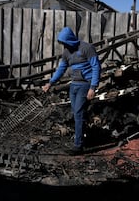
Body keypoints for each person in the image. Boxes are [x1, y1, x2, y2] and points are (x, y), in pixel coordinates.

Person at [42, 27, 101, 155]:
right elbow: (61, 69)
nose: (64, 45)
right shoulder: (66, 52)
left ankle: (78, 146)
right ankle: (85, 137)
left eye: (64, 42)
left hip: (85, 85)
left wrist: (93, 87)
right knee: (76, 113)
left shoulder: (86, 48)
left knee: (78, 113)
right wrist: (50, 83)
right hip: (73, 85)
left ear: (70, 40)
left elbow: (96, 66)